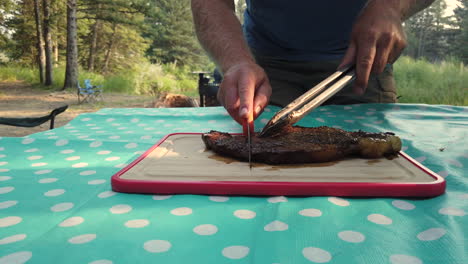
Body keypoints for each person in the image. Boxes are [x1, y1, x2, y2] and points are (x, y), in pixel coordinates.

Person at [191, 0, 435, 125]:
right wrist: (236, 62)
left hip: (360, 66)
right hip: (261, 71)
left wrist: (390, 6)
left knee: (371, 166)